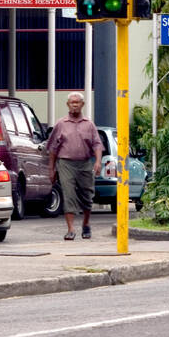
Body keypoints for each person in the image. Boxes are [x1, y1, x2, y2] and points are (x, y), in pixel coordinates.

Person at [46, 92, 102, 240]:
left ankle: (86, 223)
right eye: (72, 102)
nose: (75, 105)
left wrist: (97, 162)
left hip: (84, 163)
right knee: (68, 194)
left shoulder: (89, 124)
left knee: (87, 195)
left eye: (77, 102)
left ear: (82, 104)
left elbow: (97, 144)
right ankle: (70, 229)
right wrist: (51, 169)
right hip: (65, 163)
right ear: (68, 105)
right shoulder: (61, 124)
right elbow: (52, 148)